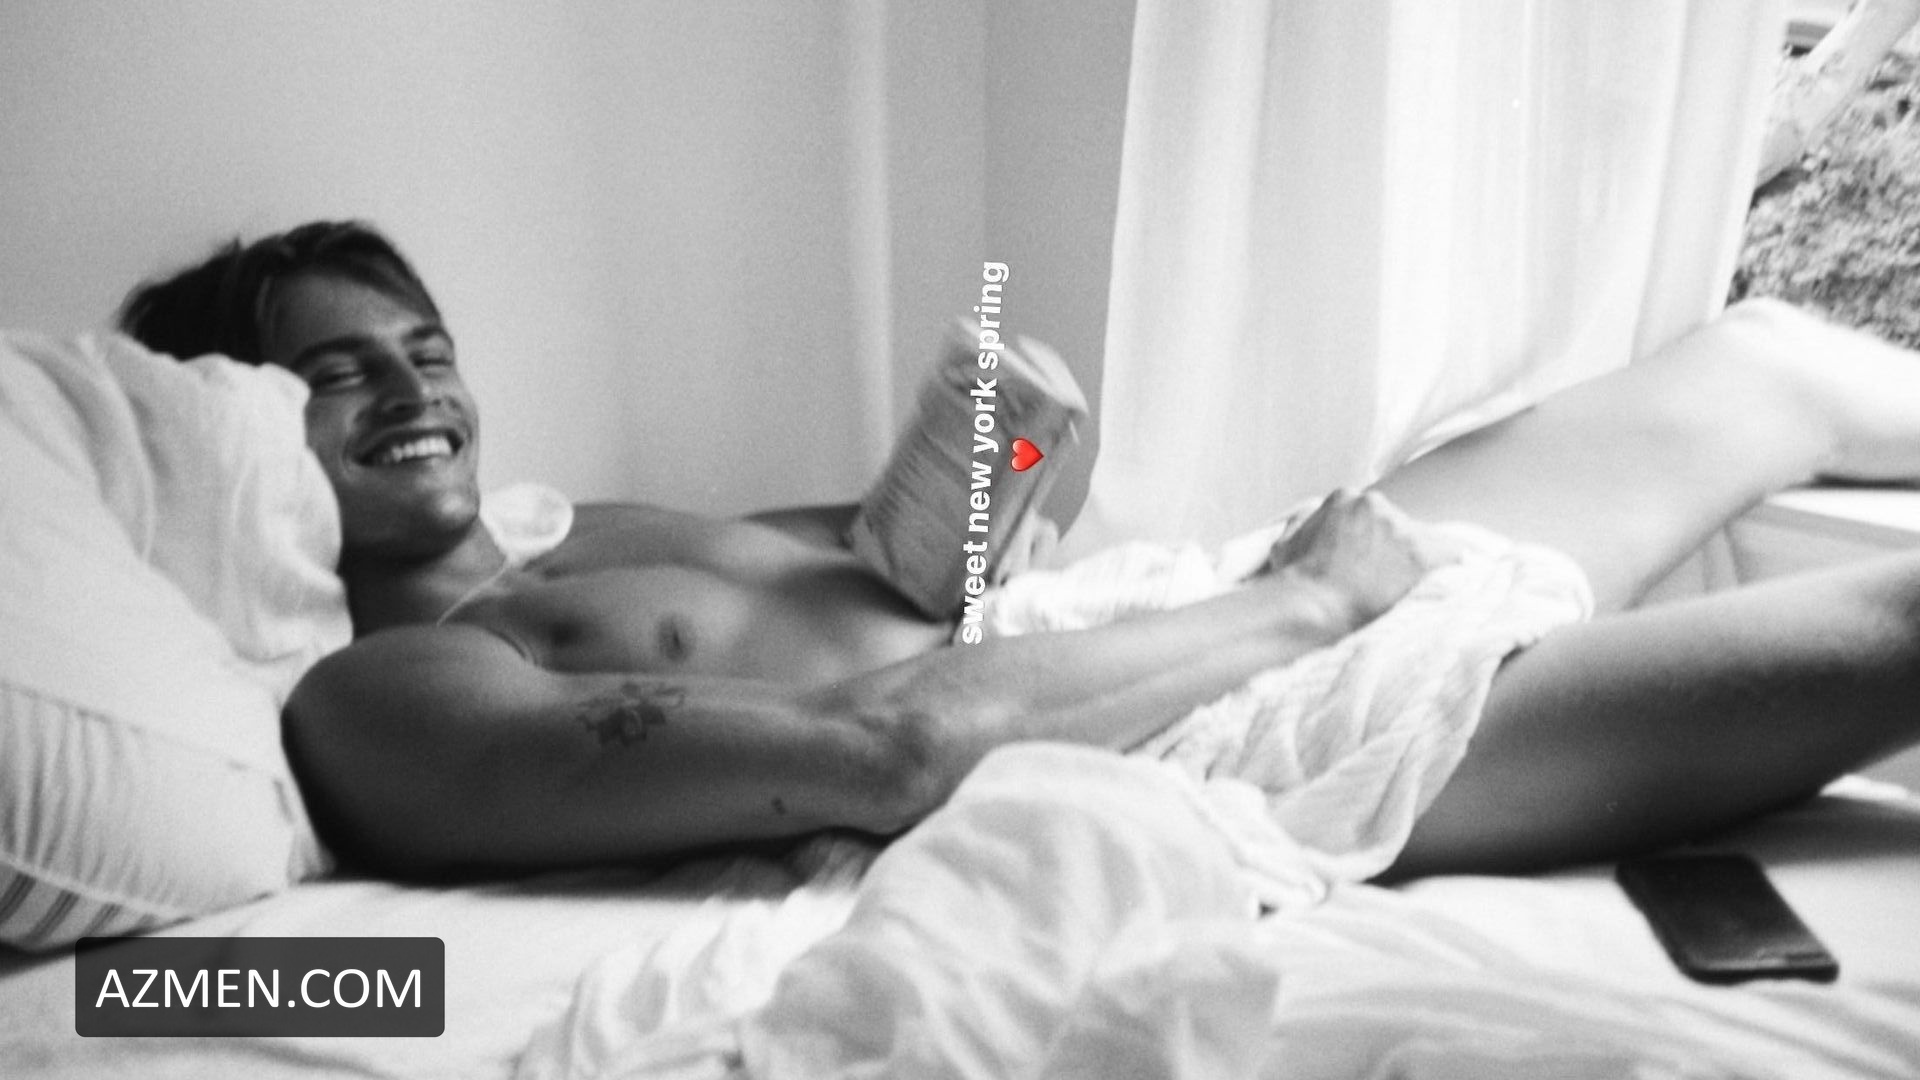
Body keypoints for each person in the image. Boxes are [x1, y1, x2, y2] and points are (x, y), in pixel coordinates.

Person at [120, 220, 1920, 882]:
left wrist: (980, 471)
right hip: (1189, 737)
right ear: (227, 430)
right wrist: (1306, 600)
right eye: (336, 373)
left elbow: (893, 575)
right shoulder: (385, 694)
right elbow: (885, 749)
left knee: (1767, 359)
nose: (412, 389)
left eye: (426, 348)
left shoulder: (577, 533)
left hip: (1143, 621)